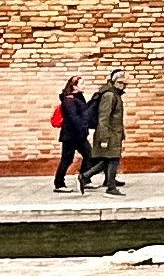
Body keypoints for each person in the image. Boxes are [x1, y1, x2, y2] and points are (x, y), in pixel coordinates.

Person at [84, 69, 127, 198]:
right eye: (119, 82)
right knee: (112, 159)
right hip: (109, 134)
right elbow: (104, 118)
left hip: (114, 133)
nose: (122, 85)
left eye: (124, 83)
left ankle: (88, 177)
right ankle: (110, 187)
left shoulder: (115, 94)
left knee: (109, 160)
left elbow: (116, 118)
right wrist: (104, 138)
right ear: (112, 81)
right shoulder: (109, 95)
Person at [51, 77, 92, 194]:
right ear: (74, 86)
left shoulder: (79, 97)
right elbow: (74, 118)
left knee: (90, 155)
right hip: (70, 136)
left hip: (79, 135)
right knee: (67, 159)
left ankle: (85, 178)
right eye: (82, 83)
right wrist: (83, 128)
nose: (84, 85)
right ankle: (59, 183)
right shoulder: (69, 100)